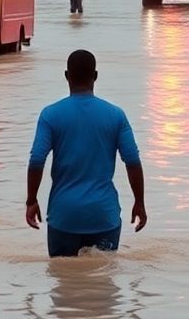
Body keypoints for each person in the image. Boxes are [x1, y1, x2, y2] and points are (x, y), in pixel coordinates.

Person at [26, 49, 146, 258]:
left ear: (66, 76)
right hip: (103, 216)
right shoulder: (116, 115)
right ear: (96, 76)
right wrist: (139, 202)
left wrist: (31, 201)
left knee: (65, 283)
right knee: (102, 284)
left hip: (64, 217)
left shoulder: (50, 115)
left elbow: (37, 160)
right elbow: (133, 161)